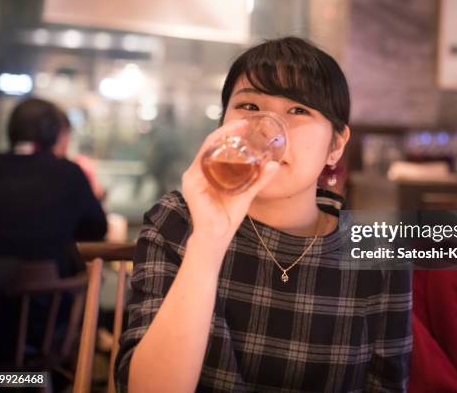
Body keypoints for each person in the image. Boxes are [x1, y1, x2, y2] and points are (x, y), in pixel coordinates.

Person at [115, 37, 413, 392]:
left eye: (299, 110)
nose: (267, 127)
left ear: (335, 145)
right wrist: (209, 240)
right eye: (249, 106)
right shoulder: (177, 222)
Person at [0, 97, 108, 367]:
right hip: (39, 327)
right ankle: (15, 383)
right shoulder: (68, 173)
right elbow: (97, 228)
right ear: (55, 134)